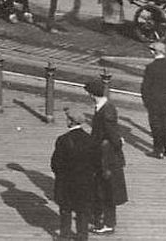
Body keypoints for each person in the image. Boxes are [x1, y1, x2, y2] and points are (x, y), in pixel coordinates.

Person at [84, 78, 128, 235]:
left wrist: (117, 144)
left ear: (91, 94)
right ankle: (106, 221)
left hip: (106, 158)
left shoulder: (106, 110)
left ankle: (106, 223)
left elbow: (112, 134)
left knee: (105, 190)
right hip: (105, 155)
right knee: (105, 189)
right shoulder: (103, 107)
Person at [50, 106, 97, 240]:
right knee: (83, 210)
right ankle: (82, 236)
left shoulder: (63, 140)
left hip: (66, 182)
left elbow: (55, 164)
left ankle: (64, 236)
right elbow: (95, 162)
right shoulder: (90, 139)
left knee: (65, 209)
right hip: (85, 183)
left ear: (70, 121)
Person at [141, 41, 166, 159]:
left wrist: (146, 101)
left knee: (155, 126)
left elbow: (145, 87)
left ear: (154, 52)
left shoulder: (150, 67)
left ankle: (158, 150)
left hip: (153, 102)